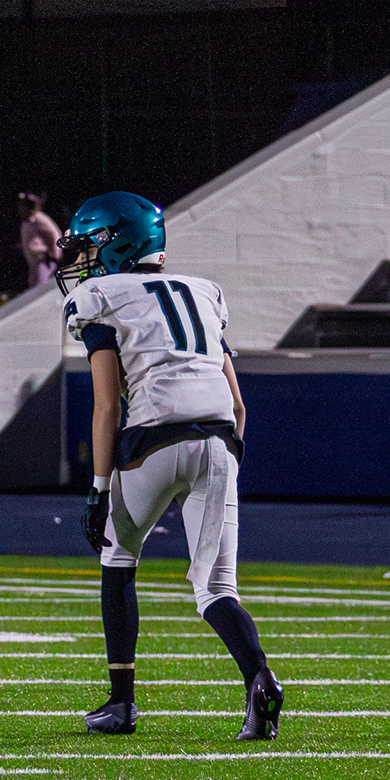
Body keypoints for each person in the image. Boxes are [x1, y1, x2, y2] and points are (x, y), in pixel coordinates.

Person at [58, 190, 281, 741]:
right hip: (221, 440)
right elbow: (239, 404)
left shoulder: (99, 297)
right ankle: (260, 678)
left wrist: (97, 488)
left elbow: (107, 407)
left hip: (154, 438)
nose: (81, 260)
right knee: (217, 587)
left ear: (115, 244)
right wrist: (225, 464)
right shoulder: (203, 292)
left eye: (89, 247)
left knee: (117, 555)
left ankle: (121, 703)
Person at [18, 193, 62, 290]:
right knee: (33, 287)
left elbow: (54, 234)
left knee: (41, 287)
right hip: (34, 261)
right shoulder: (28, 220)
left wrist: (55, 253)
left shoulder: (39, 218)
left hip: (43, 260)